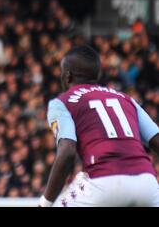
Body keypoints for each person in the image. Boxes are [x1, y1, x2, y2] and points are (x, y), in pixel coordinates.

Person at [39, 45, 159, 207]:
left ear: (67, 76)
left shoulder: (61, 103)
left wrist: (45, 202)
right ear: (98, 75)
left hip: (103, 181)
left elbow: (67, 151)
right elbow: (156, 141)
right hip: (147, 183)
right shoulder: (126, 99)